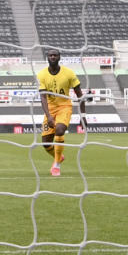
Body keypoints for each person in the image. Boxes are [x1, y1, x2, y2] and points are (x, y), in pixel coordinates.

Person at [37, 49, 86, 177]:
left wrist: (83, 116)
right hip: (51, 109)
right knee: (46, 142)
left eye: (55, 55)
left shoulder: (69, 73)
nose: (52, 57)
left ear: (59, 57)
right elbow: (43, 97)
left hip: (64, 107)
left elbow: (80, 95)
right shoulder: (42, 74)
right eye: (50, 55)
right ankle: (59, 157)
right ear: (47, 58)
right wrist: (48, 116)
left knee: (59, 130)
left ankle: (56, 165)